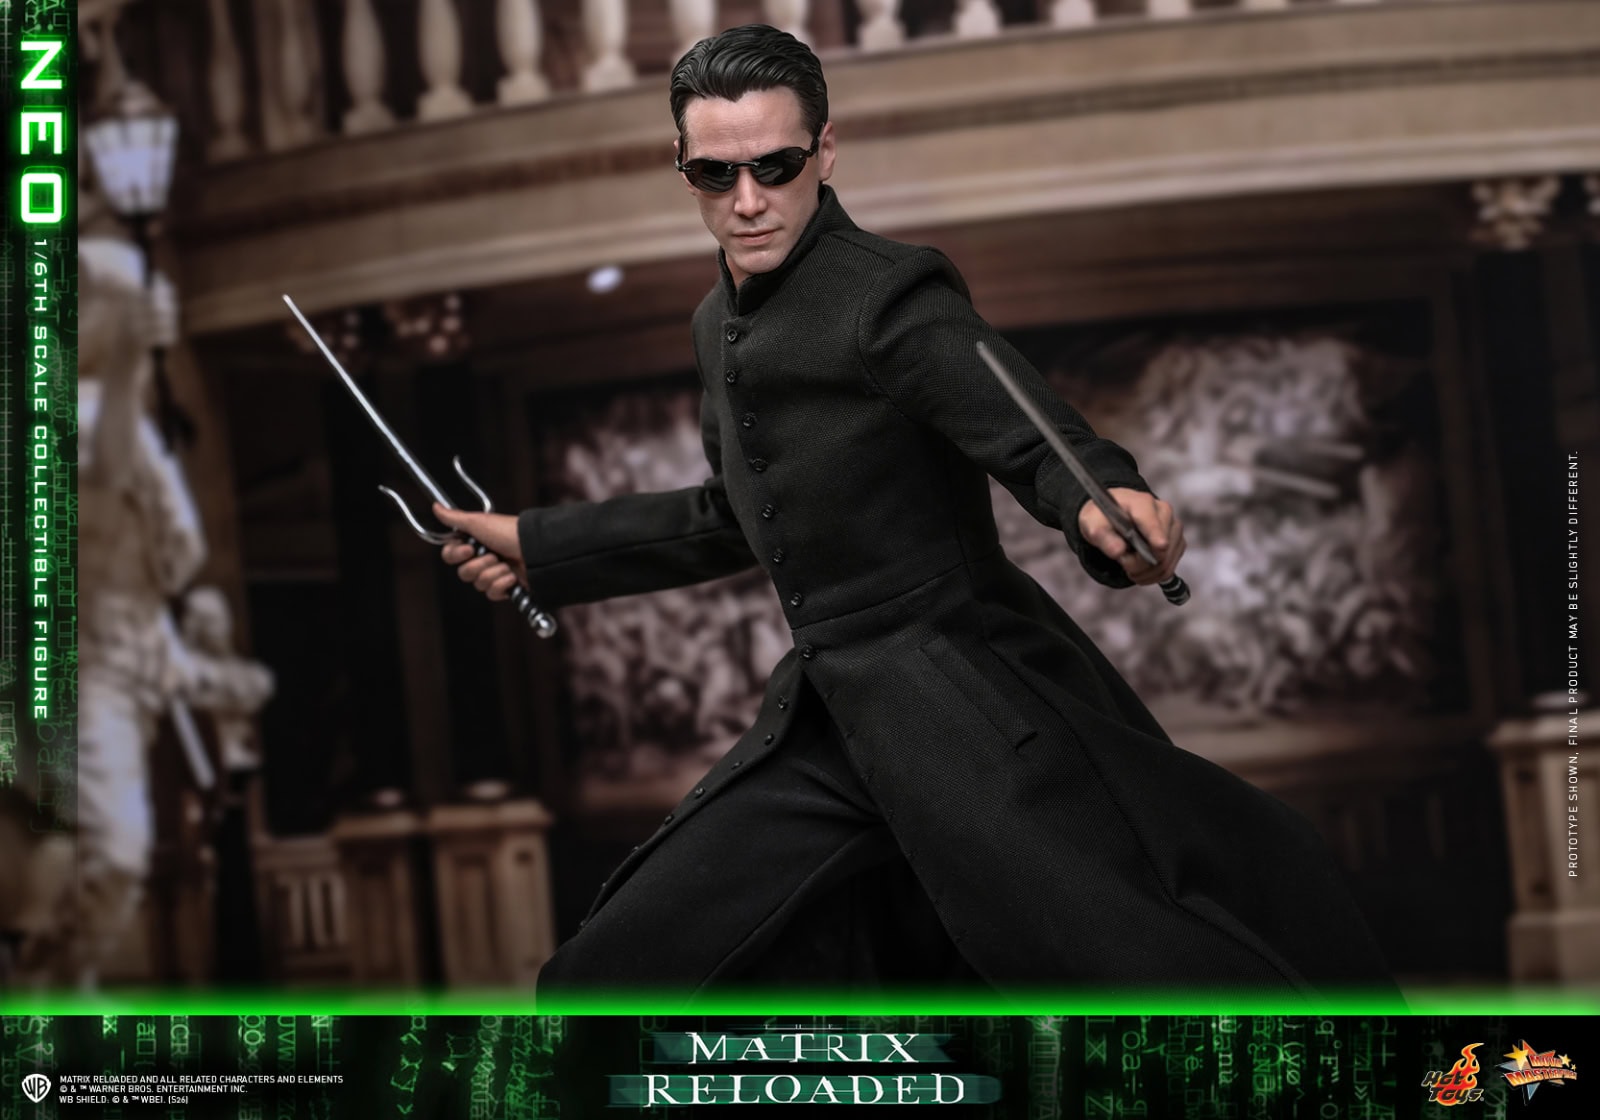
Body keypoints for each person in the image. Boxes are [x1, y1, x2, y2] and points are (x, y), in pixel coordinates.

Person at [437, 24, 1395, 1000]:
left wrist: (1102, 504)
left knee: (1150, 971)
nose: (748, 200)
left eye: (775, 165)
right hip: (825, 724)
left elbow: (1032, 436)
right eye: (715, 174)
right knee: (603, 980)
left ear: (825, 151)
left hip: (967, 714)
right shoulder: (712, 322)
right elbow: (732, 513)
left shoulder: (889, 294)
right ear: (680, 167)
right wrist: (537, 546)